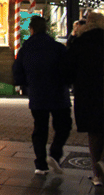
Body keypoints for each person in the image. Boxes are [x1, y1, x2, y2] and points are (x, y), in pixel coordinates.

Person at [13, 15, 71, 175]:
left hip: (37, 93)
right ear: (46, 29)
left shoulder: (26, 49)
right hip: (58, 93)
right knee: (63, 125)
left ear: (31, 29)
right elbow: (67, 69)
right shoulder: (57, 47)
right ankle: (55, 152)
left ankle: (40, 164)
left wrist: (24, 84)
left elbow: (17, 69)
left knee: (40, 128)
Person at [61, 12, 104, 186]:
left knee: (94, 133)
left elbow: (68, 70)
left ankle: (97, 174)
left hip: (88, 93)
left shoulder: (80, 42)